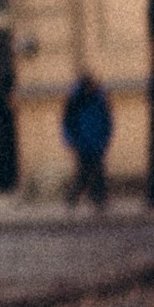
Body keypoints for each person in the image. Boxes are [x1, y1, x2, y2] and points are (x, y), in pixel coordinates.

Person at [62, 68, 115, 209]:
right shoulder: (77, 101)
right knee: (86, 172)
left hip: (96, 141)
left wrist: (106, 137)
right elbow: (68, 122)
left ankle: (96, 199)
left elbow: (107, 120)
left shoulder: (98, 99)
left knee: (96, 171)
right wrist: (71, 140)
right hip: (83, 141)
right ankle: (81, 197)